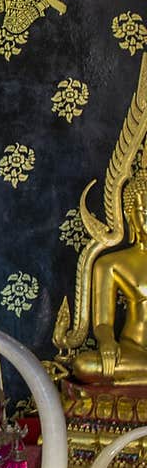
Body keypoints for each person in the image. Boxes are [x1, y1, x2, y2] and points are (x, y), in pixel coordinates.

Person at [72, 152, 147, 383]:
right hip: (133, 351)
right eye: (145, 212)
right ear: (129, 216)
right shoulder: (111, 264)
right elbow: (103, 323)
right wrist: (106, 341)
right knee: (84, 365)